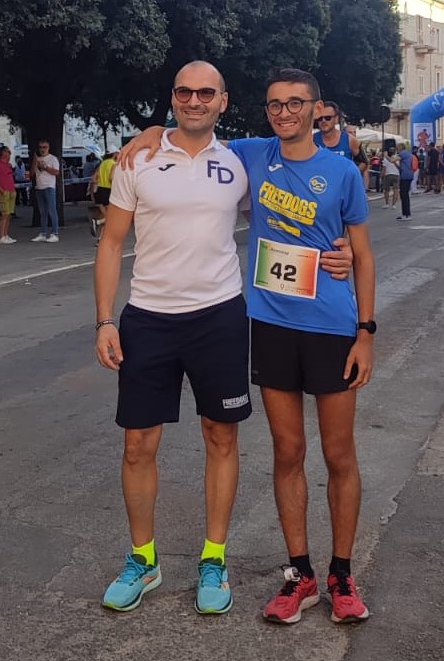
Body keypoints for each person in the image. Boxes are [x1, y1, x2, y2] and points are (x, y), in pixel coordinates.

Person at [98, 60, 354, 616]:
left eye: (205, 93)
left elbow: (297, 213)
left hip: (219, 317)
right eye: (184, 92)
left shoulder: (239, 159)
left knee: (221, 436)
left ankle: (214, 558)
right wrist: (104, 319)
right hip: (147, 317)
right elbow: (111, 242)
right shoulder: (140, 157)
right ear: (172, 98)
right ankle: (144, 559)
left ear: (222, 100)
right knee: (137, 445)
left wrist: (345, 252)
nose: (195, 101)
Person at [225, 68, 374, 625]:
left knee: (339, 454)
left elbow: (364, 256)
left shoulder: (341, 173)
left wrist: (366, 332)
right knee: (288, 453)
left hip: (332, 328)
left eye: (294, 104)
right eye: (274, 105)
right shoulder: (253, 153)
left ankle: (341, 574)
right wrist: (149, 134)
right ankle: (300, 575)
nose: (283, 113)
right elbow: (186, 133)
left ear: (317, 108)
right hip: (270, 323)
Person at [30, 140, 61, 243]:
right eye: (41, 147)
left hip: (49, 187)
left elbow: (56, 172)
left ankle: (55, 233)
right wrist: (35, 160)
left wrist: (45, 167)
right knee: (43, 212)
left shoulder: (53, 159)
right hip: (39, 187)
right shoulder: (37, 159)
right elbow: (32, 173)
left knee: (52, 211)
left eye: (45, 147)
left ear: (48, 148)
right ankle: (43, 233)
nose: (42, 149)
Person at [0, 146, 17, 243]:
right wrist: (1, 190)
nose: (9, 153)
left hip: (11, 190)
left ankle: (6, 234)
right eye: (7, 151)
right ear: (2, 153)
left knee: (9, 214)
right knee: (4, 214)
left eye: (9, 152)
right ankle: (1, 236)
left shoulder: (8, 165)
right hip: (3, 192)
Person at [396, 142, 414, 220]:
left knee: (404, 195)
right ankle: (405, 214)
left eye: (397, 147)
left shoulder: (403, 154)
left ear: (400, 148)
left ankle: (407, 214)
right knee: (404, 195)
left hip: (405, 176)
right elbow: (400, 167)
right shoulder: (408, 154)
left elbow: (392, 160)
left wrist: (386, 155)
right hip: (408, 175)